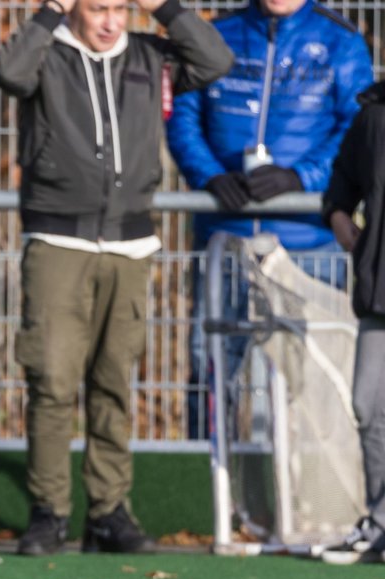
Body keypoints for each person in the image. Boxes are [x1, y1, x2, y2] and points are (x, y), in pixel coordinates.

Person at [0, 0, 232, 555]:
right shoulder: (47, 54)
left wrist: (164, 9)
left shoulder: (151, 54)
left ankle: (109, 512)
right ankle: (48, 513)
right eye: (97, 8)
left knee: (113, 380)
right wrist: (49, 14)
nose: (110, 21)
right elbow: (6, 72)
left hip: (131, 243)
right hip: (57, 242)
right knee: (51, 379)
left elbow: (216, 61)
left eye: (120, 8)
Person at [166, 0, 373, 438]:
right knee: (212, 363)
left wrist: (300, 177)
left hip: (307, 246)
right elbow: (183, 117)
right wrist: (210, 177)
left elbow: (358, 129)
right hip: (226, 240)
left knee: (314, 376)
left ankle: (312, 497)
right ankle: (209, 480)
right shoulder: (215, 34)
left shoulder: (341, 41)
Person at [320, 79, 385, 564]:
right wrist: (355, 241)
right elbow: (339, 192)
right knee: (367, 406)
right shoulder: (373, 116)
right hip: (379, 292)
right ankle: (381, 523)